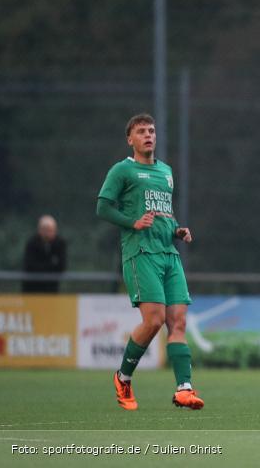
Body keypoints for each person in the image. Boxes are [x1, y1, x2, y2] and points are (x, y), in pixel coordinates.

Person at [96, 113, 203, 411]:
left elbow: (164, 212)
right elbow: (103, 207)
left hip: (169, 253)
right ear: (130, 139)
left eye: (152, 131)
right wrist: (132, 222)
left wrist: (177, 229)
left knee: (178, 322)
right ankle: (123, 377)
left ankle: (184, 389)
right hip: (141, 254)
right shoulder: (123, 170)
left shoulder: (166, 172)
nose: (148, 135)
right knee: (154, 320)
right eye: (141, 131)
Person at [22, 215, 67, 293]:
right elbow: (30, 266)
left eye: (51, 230)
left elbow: (61, 266)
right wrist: (51, 265)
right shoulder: (32, 243)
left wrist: (42, 266)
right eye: (46, 230)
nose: (48, 234)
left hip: (51, 289)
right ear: (40, 230)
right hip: (32, 289)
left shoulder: (60, 243)